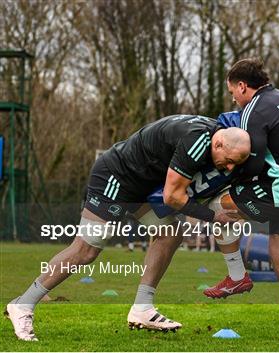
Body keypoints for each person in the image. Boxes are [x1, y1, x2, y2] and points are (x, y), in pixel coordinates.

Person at [5, 115, 250, 341]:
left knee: (170, 232)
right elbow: (172, 197)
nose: (228, 168)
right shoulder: (196, 142)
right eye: (228, 161)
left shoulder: (214, 137)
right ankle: (23, 305)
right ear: (218, 145)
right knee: (86, 250)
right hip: (115, 178)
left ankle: (142, 308)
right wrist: (213, 216)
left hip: (138, 187)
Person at [205, 58, 279, 343]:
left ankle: (236, 276)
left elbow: (253, 161)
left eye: (232, 90)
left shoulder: (254, 109)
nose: (233, 96)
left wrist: (227, 174)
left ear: (243, 86)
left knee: (216, 205)